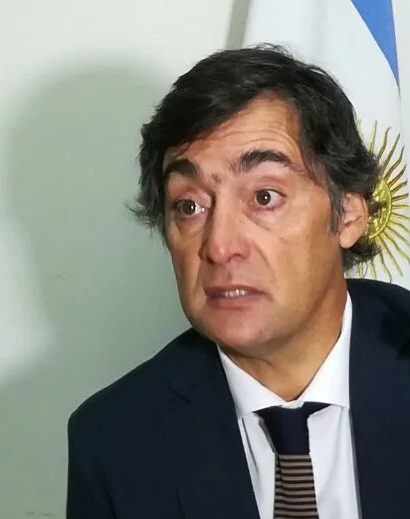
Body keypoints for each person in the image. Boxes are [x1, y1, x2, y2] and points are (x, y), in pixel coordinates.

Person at [65, 45, 410, 519]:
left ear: (348, 215)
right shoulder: (114, 442)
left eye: (264, 197)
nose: (220, 246)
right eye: (189, 206)